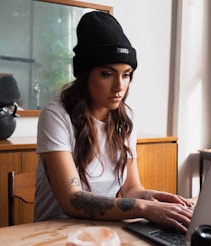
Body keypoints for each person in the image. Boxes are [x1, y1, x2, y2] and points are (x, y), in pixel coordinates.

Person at [34, 11, 193, 232]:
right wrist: (143, 208)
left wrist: (154, 199)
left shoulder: (124, 123)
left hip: (103, 232)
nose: (119, 86)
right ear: (85, 74)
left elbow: (132, 190)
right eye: (107, 74)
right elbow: (72, 199)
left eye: (126, 74)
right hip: (52, 234)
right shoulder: (56, 115)